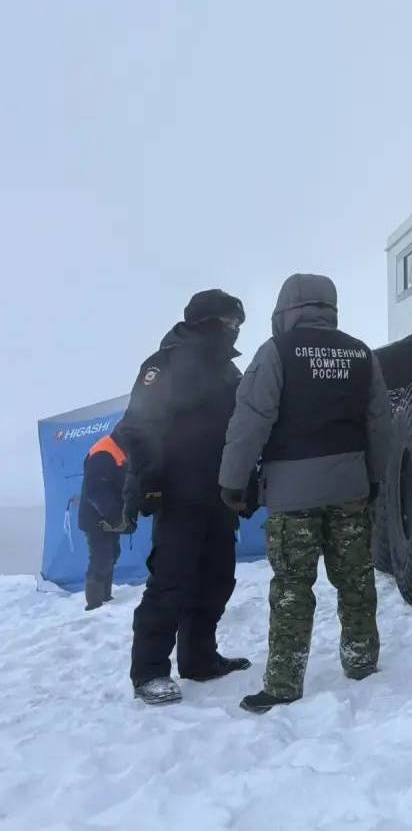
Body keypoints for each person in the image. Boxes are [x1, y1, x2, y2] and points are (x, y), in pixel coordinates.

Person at [218, 273, 391, 713]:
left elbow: (250, 420)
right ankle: (361, 661)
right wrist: (374, 477)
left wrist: (233, 481)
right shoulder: (360, 353)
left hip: (293, 496)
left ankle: (283, 683)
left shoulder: (276, 353)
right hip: (350, 486)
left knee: (294, 585)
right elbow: (380, 424)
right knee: (355, 577)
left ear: (285, 310)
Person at [117, 289, 253, 706]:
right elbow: (137, 427)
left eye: (237, 324)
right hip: (177, 493)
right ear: (206, 321)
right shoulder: (165, 364)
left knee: (216, 579)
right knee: (171, 582)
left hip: (219, 495)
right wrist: (151, 482)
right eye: (229, 322)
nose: (234, 330)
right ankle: (150, 671)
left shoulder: (230, 373)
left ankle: (198, 658)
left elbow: (245, 429)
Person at [78, 431, 134, 610]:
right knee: (101, 557)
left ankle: (105, 596)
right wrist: (115, 516)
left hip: (111, 516)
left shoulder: (122, 450)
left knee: (112, 554)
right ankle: (94, 604)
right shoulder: (104, 451)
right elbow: (94, 490)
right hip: (96, 517)